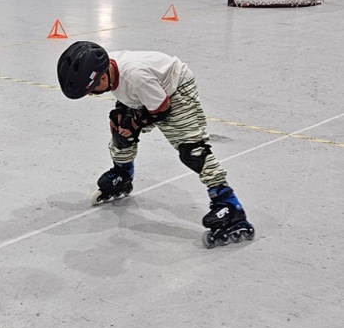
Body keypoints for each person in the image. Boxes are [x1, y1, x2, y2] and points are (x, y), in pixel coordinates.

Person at [56, 40, 254, 246]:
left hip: (175, 91)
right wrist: (123, 118)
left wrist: (135, 122)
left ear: (103, 77)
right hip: (147, 90)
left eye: (91, 90)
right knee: (120, 133)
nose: (90, 94)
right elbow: (126, 92)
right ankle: (123, 175)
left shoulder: (135, 77)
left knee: (192, 151)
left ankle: (230, 206)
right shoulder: (112, 70)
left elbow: (162, 107)